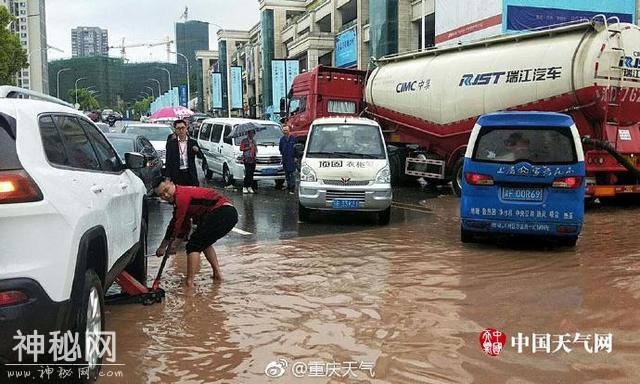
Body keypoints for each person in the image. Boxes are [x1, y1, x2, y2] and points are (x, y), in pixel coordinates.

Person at [154, 178, 238, 286]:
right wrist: (171, 246)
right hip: (224, 213)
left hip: (223, 213)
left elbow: (176, 224)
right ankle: (217, 274)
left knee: (193, 245)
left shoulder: (181, 196)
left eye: (166, 190)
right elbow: (184, 225)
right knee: (203, 243)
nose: (165, 195)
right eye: (161, 195)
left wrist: (164, 246)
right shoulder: (178, 198)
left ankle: (190, 282)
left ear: (171, 183)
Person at [165, 119, 203, 186]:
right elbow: (168, 161)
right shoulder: (171, 144)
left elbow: (201, 156)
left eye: (183, 128)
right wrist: (167, 177)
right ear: (175, 130)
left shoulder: (192, 142)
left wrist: (197, 151)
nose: (181, 130)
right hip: (177, 174)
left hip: (190, 174)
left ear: (186, 128)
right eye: (178, 128)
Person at [279, 125, 297, 194]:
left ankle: (292, 188)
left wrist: (296, 157)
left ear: (289, 130)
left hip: (292, 158)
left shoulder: (293, 139)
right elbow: (280, 149)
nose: (285, 132)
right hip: (285, 159)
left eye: (286, 130)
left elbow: (297, 149)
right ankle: (289, 187)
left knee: (292, 174)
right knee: (287, 174)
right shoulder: (282, 139)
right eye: (284, 130)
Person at [240, 129, 257, 194]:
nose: (251, 135)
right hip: (247, 159)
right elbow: (241, 148)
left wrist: (255, 150)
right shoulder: (244, 141)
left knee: (251, 174)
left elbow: (255, 149)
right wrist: (248, 148)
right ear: (248, 134)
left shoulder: (254, 141)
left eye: (253, 133)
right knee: (247, 173)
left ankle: (250, 186)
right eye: (250, 133)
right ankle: (245, 186)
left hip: (253, 159)